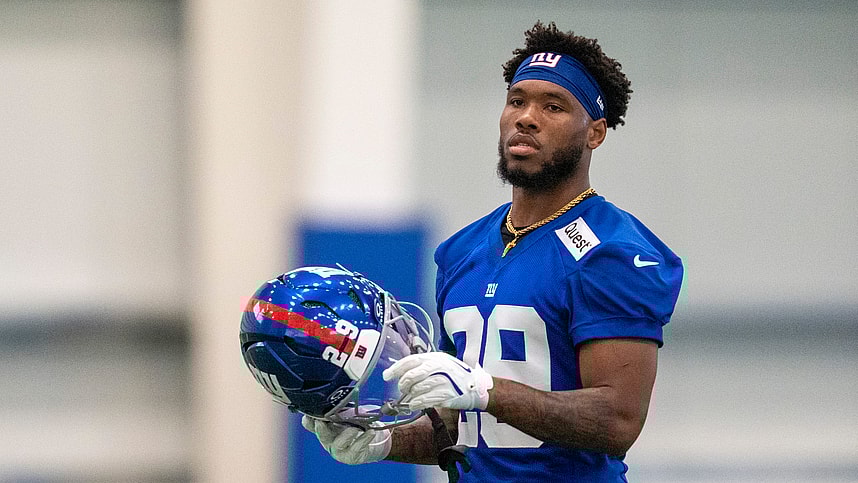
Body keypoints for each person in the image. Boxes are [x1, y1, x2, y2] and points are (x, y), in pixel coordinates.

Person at [301, 21, 684, 481]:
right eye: (517, 100)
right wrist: (383, 441)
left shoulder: (613, 251)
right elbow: (465, 426)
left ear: (595, 133)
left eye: (554, 106)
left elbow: (618, 419)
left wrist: (485, 389)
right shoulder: (462, 250)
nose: (526, 116)